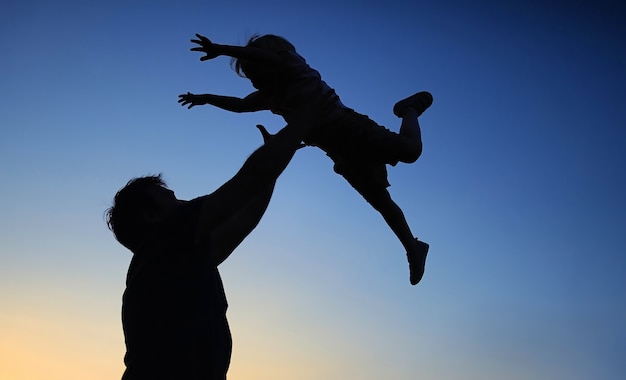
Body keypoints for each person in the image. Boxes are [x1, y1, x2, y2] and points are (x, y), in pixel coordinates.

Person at [178, 33, 432, 285]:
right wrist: (206, 99)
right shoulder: (271, 95)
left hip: (353, 128)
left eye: (253, 71)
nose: (253, 80)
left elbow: (265, 57)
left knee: (411, 152)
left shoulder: (293, 67)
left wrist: (222, 49)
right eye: (250, 76)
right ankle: (413, 248)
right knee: (381, 202)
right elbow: (241, 105)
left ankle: (408, 110)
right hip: (342, 155)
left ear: (268, 60)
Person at [106, 119, 313, 380]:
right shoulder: (166, 238)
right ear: (152, 216)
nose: (183, 201)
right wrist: (305, 118)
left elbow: (246, 215)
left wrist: (276, 159)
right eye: (172, 199)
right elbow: (252, 177)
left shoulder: (175, 262)